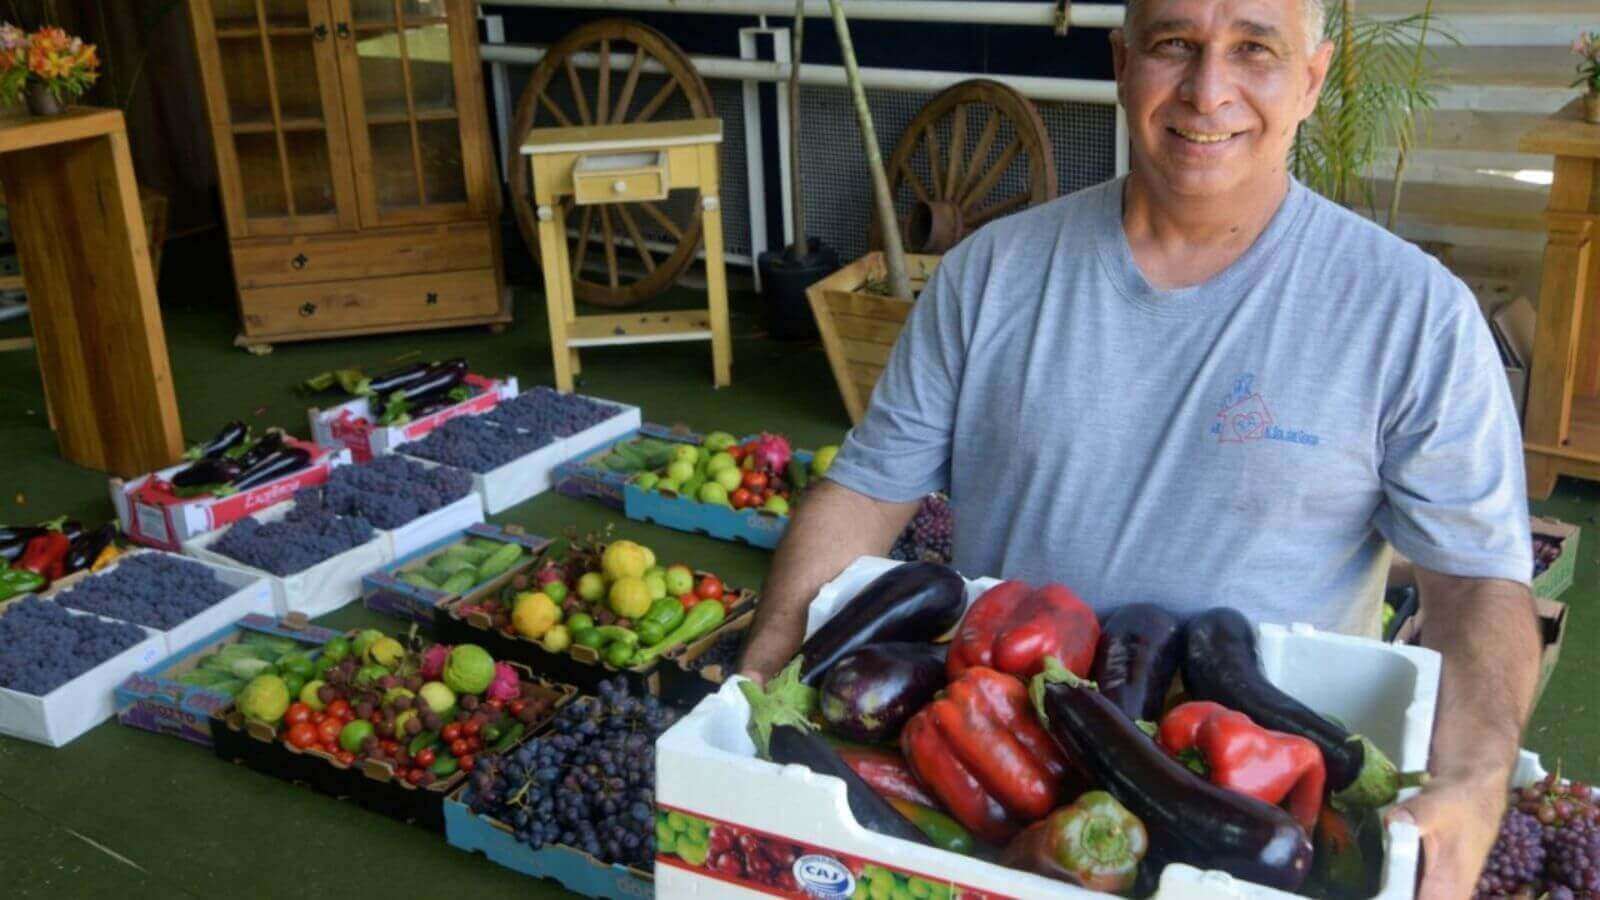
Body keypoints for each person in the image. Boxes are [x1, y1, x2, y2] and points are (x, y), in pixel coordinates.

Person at [738, 0, 1541, 896]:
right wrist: (765, 668)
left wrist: (1475, 780)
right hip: (999, 774)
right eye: (1174, 46)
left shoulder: (1415, 316)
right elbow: (863, 491)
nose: (1208, 91)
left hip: (1255, 809)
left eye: (1254, 51)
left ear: (1312, 80)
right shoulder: (989, 274)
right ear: (1122, 63)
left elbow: (1475, 582)